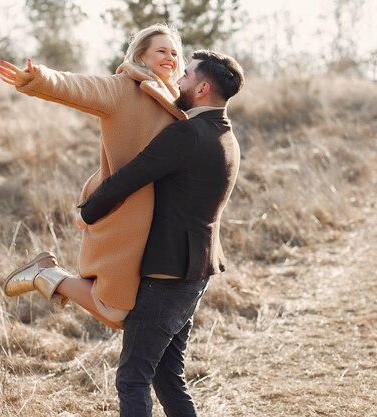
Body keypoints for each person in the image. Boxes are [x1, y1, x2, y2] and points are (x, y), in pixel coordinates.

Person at [77, 50, 245, 416]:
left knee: (132, 378)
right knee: (168, 378)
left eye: (185, 75)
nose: (179, 81)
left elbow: (131, 176)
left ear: (201, 88)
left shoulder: (187, 134)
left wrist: (89, 212)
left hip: (167, 273)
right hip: (197, 270)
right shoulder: (227, 136)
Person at [0, 24, 187, 329]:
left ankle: (47, 275)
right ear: (141, 55)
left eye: (175, 53)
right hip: (128, 213)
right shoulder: (124, 88)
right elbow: (79, 87)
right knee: (115, 312)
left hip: (163, 220)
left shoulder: (179, 99)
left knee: (134, 310)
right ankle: (46, 274)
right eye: (161, 51)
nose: (170, 58)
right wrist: (39, 78)